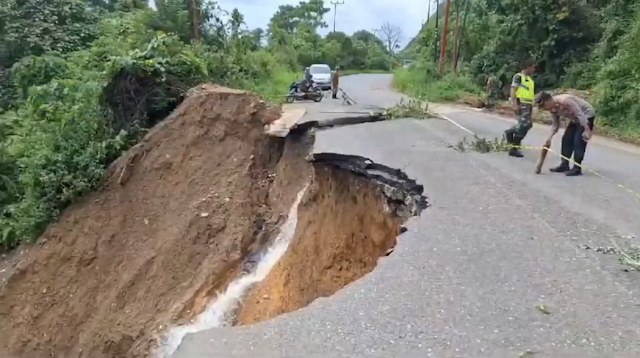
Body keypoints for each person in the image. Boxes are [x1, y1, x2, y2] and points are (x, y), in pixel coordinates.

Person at [535, 92, 595, 176]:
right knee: (566, 139)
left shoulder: (565, 101)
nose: (544, 109)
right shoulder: (553, 109)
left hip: (585, 115)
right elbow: (556, 124)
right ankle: (564, 165)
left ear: (548, 100)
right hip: (575, 118)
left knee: (578, 140)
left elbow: (579, 114)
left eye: (543, 106)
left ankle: (577, 168)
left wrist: (587, 130)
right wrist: (549, 138)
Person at [504, 59, 536, 158]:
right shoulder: (519, 77)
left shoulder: (530, 80)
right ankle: (511, 138)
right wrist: (514, 104)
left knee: (528, 124)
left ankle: (514, 145)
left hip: (529, 104)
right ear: (528, 67)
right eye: (533, 67)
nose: (534, 69)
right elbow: (513, 89)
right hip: (522, 103)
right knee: (524, 124)